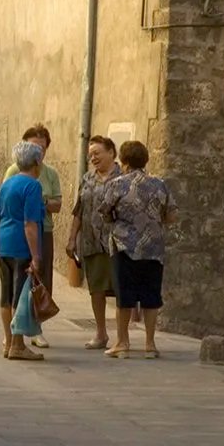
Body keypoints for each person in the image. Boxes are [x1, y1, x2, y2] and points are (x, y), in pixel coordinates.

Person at [100, 141, 178, 359]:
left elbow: (105, 212)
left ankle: (122, 343)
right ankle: (150, 344)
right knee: (151, 296)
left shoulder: (117, 185)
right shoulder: (160, 184)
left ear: (123, 161)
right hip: (153, 248)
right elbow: (172, 215)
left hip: (124, 246)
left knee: (124, 296)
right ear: (145, 160)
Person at [2, 124, 62, 347]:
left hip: (43, 230)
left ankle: (35, 329)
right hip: (21, 232)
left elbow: (58, 204)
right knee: (15, 284)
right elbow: (6, 203)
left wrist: (42, 203)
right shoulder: (13, 171)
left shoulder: (51, 174)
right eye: (34, 146)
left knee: (40, 281)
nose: (39, 151)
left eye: (43, 147)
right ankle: (12, 335)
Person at [0, 141, 48, 362]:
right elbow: (30, 224)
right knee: (19, 295)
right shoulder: (32, 186)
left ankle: (8, 342)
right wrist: (36, 256)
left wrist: (7, 225)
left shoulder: (9, 183)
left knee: (6, 294)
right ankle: (18, 345)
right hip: (22, 247)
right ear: (36, 163)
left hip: (4, 244)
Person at [66, 135, 122, 350]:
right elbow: (78, 211)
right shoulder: (87, 179)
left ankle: (122, 336)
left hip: (116, 243)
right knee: (96, 289)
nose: (93, 158)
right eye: (90, 155)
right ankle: (101, 333)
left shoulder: (123, 178)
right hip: (91, 242)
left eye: (97, 153)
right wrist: (72, 239)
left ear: (111, 152)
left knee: (120, 288)